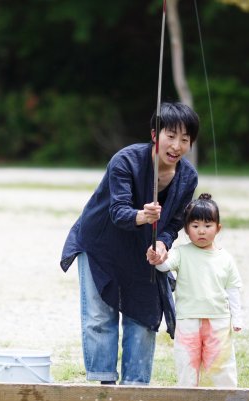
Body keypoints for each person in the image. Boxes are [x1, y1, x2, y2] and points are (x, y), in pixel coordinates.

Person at [60, 102, 200, 385]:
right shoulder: (125, 161)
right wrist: (142, 215)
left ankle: (135, 388)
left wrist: (162, 244)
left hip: (143, 250)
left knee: (144, 314)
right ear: (154, 135)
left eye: (185, 140)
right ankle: (104, 386)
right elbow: (117, 211)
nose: (176, 145)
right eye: (170, 136)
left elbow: (173, 224)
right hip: (102, 242)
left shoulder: (188, 177)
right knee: (100, 317)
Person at [147, 193, 243, 387]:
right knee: (187, 363)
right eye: (195, 226)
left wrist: (237, 317)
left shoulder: (226, 259)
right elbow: (164, 266)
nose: (201, 231)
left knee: (221, 365)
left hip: (219, 320)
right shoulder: (181, 253)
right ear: (186, 229)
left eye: (207, 226)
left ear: (218, 228)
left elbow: (233, 289)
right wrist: (156, 257)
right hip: (187, 319)